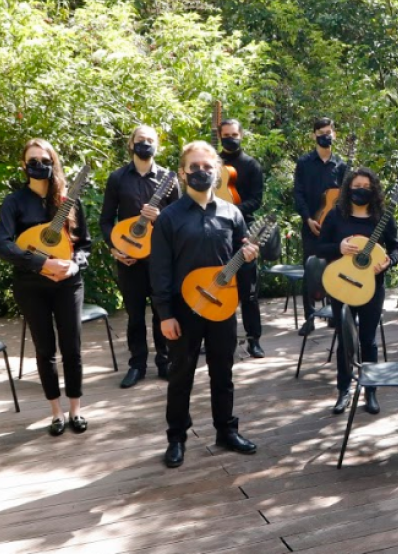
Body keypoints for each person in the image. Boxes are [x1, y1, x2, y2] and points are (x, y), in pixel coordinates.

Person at [151, 140, 259, 468]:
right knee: (181, 373)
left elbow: (242, 262)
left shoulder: (232, 212)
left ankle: (226, 430)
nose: (201, 172)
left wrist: (252, 257)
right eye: (194, 167)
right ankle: (177, 438)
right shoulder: (169, 218)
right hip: (184, 310)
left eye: (207, 167)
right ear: (183, 173)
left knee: (223, 371)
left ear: (217, 173)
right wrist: (165, 314)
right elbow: (160, 270)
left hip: (222, 307)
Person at [0, 139, 91, 436]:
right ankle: (56, 412)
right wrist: (41, 263)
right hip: (31, 285)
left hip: (68, 283)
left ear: (54, 163)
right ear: (24, 166)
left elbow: (84, 245)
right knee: (45, 349)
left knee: (72, 347)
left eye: (45, 160)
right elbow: (3, 244)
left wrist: (75, 264)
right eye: (33, 161)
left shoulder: (68, 201)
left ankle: (76, 409)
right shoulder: (13, 203)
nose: (40, 165)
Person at [315, 168, 398, 416]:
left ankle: (370, 391)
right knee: (345, 341)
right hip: (342, 283)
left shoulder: (382, 217)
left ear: (373, 189)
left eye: (366, 185)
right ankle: (344, 390)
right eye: (356, 186)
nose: (360, 190)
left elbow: (397, 248)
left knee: (368, 340)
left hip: (373, 286)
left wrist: (389, 262)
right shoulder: (336, 215)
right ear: (347, 189)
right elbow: (320, 247)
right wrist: (338, 247)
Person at [99, 125, 179, 388]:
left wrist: (162, 216)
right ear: (131, 144)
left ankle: (164, 362)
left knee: (161, 312)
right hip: (129, 259)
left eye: (150, 141)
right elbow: (106, 220)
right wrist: (115, 248)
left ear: (158, 146)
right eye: (140, 140)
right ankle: (137, 364)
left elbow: (180, 220)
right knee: (134, 315)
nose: (145, 144)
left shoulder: (169, 178)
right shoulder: (118, 178)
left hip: (159, 259)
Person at [293, 117, 348, 336]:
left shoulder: (341, 165)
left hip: (334, 229)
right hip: (311, 225)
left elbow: (346, 197)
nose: (326, 135)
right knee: (311, 270)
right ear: (314, 135)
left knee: (335, 269)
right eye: (321, 132)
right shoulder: (304, 163)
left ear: (334, 134)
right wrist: (307, 218)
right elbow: (298, 193)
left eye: (329, 131)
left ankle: (335, 313)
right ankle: (310, 317)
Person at [217, 119, 265, 357]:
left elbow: (257, 200)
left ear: (242, 135)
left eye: (234, 134)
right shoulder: (212, 164)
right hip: (214, 231)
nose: (230, 138)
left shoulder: (251, 165)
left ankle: (254, 339)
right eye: (226, 135)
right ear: (219, 136)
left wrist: (232, 210)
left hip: (245, 231)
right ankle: (216, 336)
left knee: (249, 289)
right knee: (217, 282)